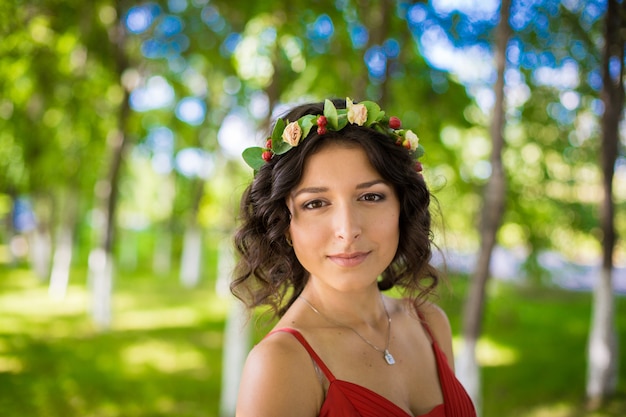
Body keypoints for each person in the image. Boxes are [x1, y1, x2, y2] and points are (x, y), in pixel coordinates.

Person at [231, 97, 476, 417]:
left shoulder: (430, 323)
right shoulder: (281, 363)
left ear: (402, 208)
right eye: (316, 203)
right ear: (285, 225)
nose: (348, 230)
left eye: (371, 196)